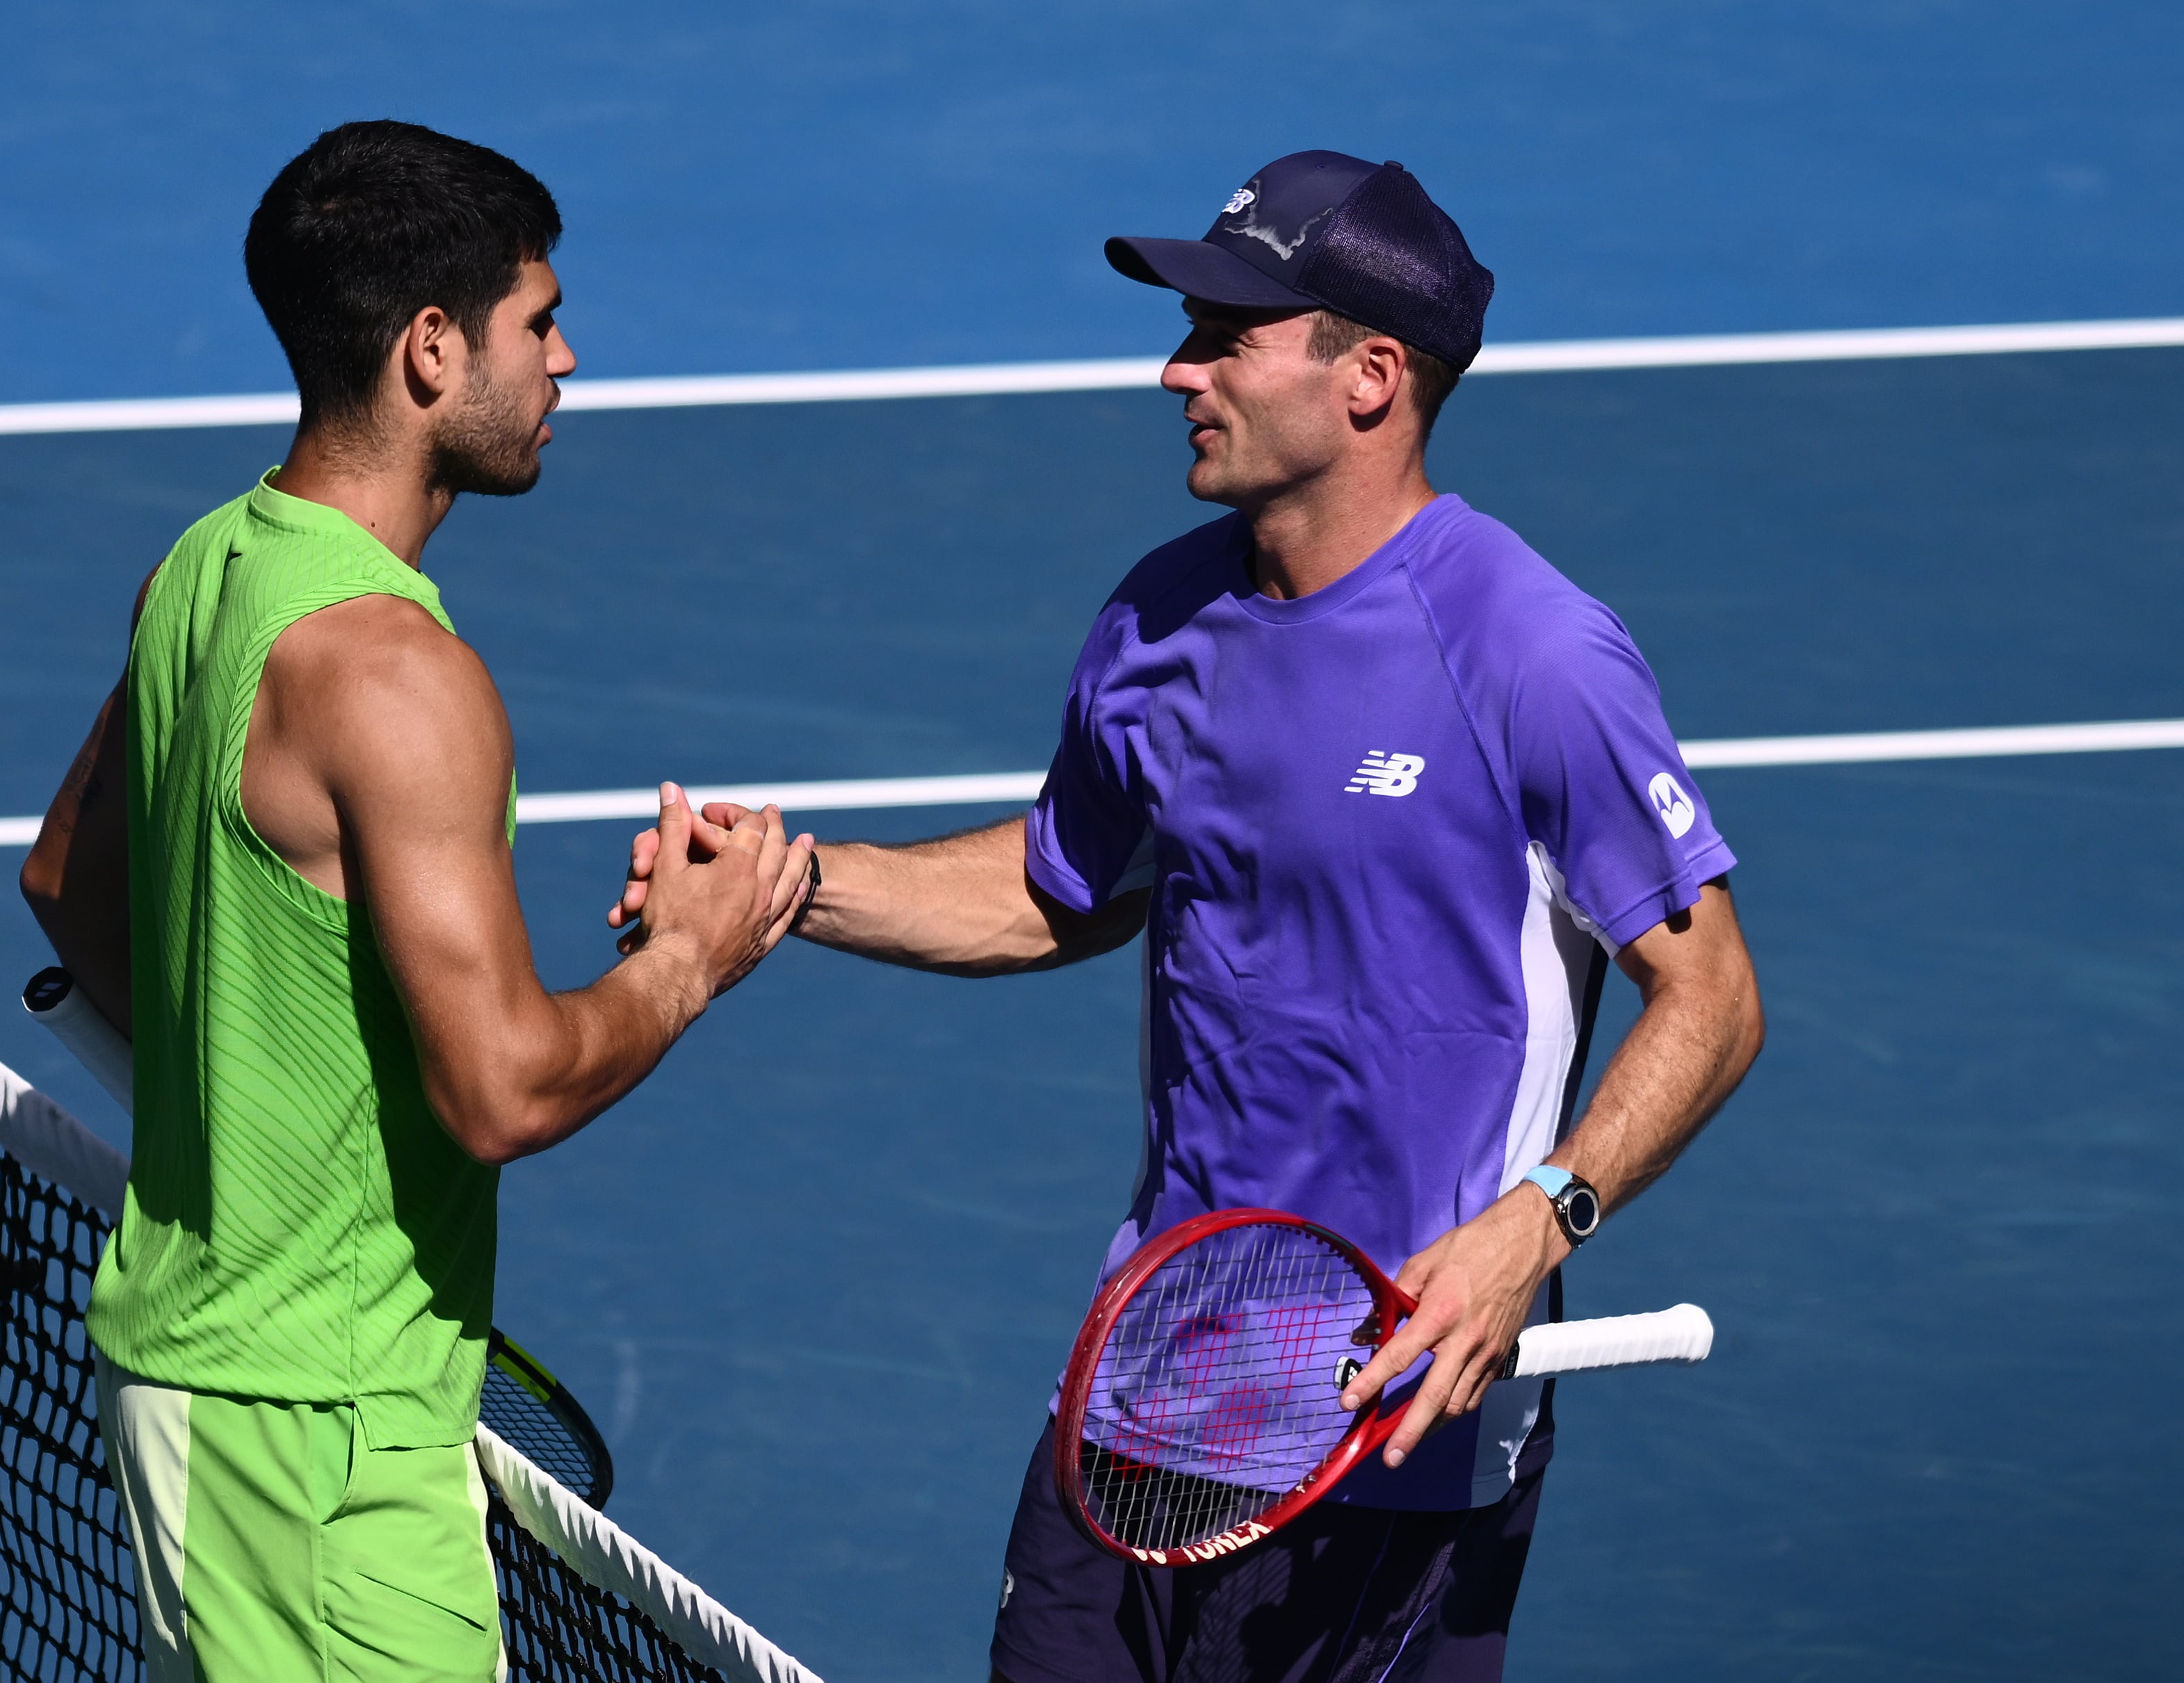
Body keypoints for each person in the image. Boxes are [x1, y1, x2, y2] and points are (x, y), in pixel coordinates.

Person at [610, 150, 1763, 1682]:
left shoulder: (1534, 653)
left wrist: (1533, 1221)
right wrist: (788, 881)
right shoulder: (1156, 620)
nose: (1178, 368)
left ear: (1370, 375)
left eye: (1228, 332)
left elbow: (1715, 997)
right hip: (1144, 1391)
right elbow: (1058, 883)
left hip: (1389, 1427)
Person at [20, 120, 815, 1683]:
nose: (566, 357)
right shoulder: (399, 676)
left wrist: (248, 1100)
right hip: (323, 1452)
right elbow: (502, 1085)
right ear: (432, 350)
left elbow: (68, 885)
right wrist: (688, 959)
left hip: (215, 1397)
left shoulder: (201, 570)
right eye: (538, 319)